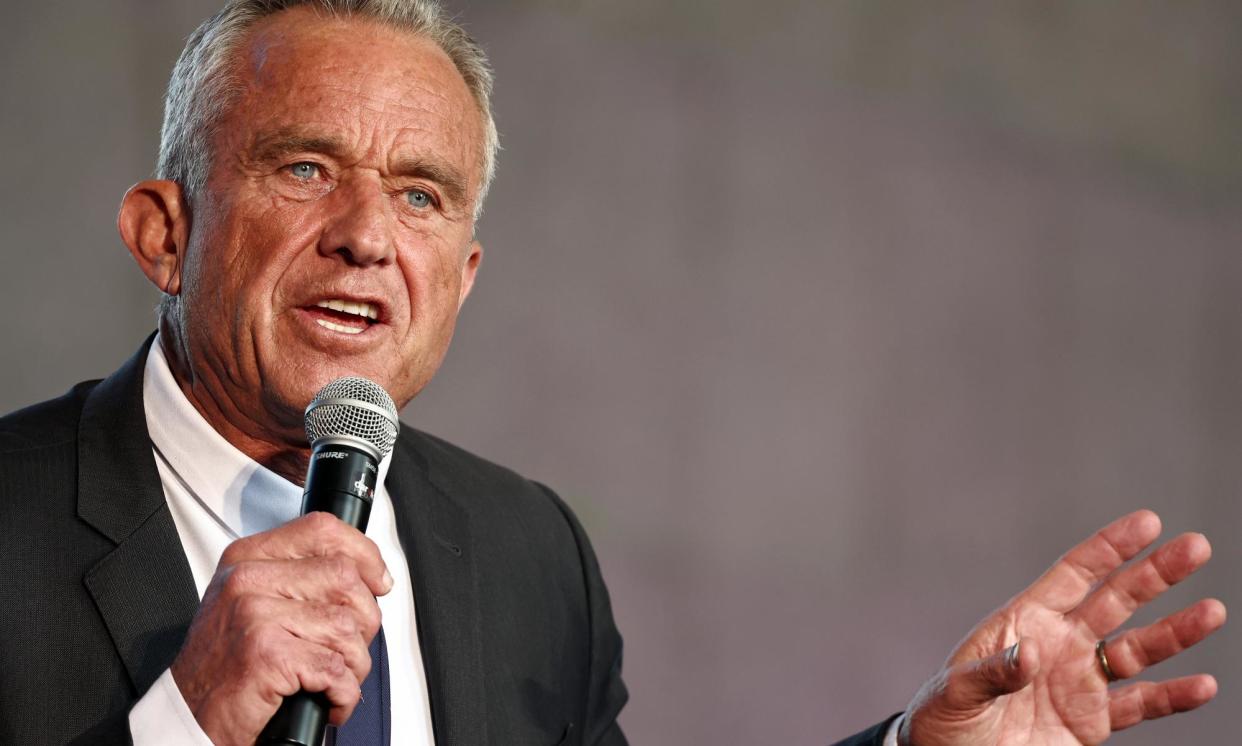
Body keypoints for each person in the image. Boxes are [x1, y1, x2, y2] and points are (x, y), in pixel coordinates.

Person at [0, 1, 1224, 745]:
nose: (368, 233)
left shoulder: (525, 551)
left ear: (463, 275)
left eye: (420, 194)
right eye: (305, 169)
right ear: (165, 231)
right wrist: (188, 724)